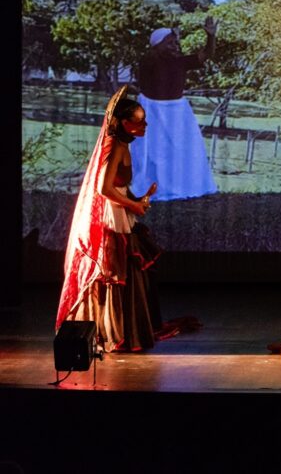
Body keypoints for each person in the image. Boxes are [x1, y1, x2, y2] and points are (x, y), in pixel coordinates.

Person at [56, 87, 163, 352]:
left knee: (125, 269)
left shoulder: (122, 143)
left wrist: (138, 199)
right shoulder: (114, 145)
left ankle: (123, 330)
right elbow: (103, 188)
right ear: (125, 123)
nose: (145, 125)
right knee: (116, 270)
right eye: (139, 121)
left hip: (120, 211)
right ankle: (111, 332)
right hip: (111, 218)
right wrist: (133, 206)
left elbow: (118, 186)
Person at [132, 19, 218, 201]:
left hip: (177, 113)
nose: (174, 46)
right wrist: (168, 36)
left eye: (175, 43)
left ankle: (184, 186)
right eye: (169, 43)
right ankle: (153, 187)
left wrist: (210, 36)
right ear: (157, 46)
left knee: (182, 151)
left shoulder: (180, 62)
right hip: (152, 110)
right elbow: (153, 56)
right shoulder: (148, 60)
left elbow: (206, 54)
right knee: (153, 153)